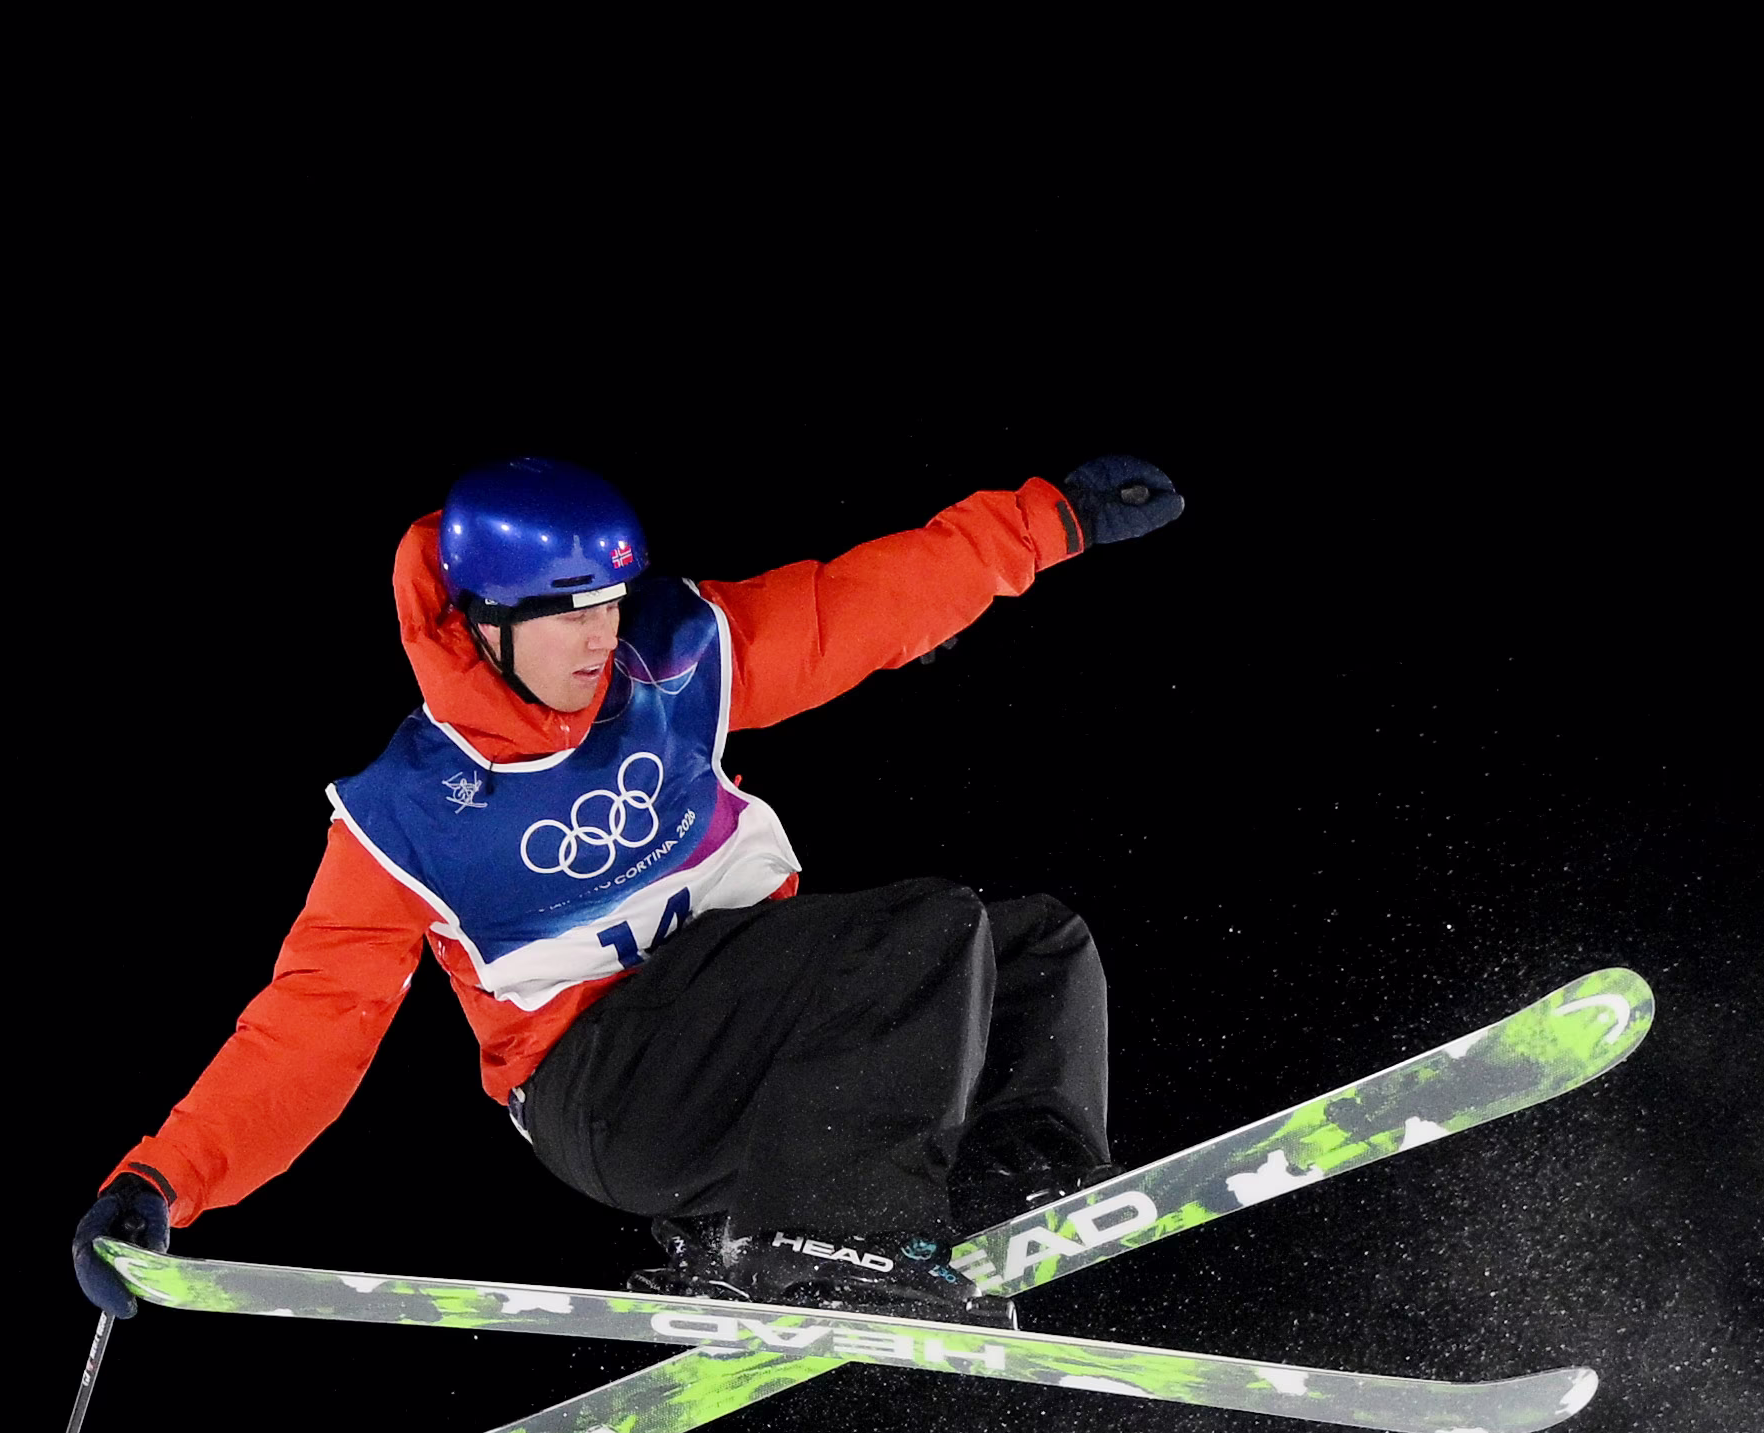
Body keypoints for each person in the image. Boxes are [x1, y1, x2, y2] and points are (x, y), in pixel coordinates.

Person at [75, 452, 1188, 1330]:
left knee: (1032, 946)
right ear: (484, 622)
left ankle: (1012, 1178)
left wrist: (1050, 523)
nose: (599, 636)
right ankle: (814, 1233)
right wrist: (166, 1181)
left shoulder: (673, 656)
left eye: (609, 602)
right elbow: (308, 1028)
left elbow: (857, 607)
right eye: (567, 614)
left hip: (772, 1052)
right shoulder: (406, 815)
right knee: (923, 931)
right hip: (611, 1096)